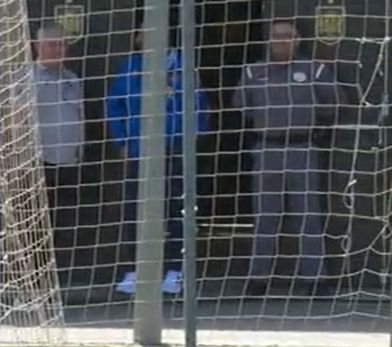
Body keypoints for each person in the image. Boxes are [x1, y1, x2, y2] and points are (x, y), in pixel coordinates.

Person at [233, 19, 338, 296]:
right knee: (265, 216)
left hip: (303, 149)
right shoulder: (253, 71)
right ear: (268, 40)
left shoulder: (315, 70)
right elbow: (242, 106)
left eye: (287, 36)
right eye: (276, 36)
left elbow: (333, 104)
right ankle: (258, 279)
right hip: (267, 149)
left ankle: (315, 279)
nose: (281, 41)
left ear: (298, 40)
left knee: (308, 215)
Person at [106, 28, 209, 296]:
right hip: (140, 150)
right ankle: (134, 270)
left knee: (178, 210)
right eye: (142, 33)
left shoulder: (184, 65)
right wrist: (123, 141)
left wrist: (190, 138)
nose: (147, 38)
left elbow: (199, 105)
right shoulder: (130, 66)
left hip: (174, 149)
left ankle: (175, 272)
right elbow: (114, 104)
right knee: (134, 211)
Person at [32, 22, 84, 264]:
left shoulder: (73, 79)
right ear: (38, 46)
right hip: (39, 164)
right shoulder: (26, 78)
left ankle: (59, 270)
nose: (58, 50)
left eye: (62, 44)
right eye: (52, 45)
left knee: (63, 221)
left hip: (68, 162)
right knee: (36, 224)